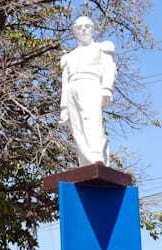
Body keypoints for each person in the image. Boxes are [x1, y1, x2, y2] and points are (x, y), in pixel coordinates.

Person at [60, 16, 116, 166]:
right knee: (77, 126)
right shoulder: (68, 56)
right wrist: (64, 107)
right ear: (74, 32)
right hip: (73, 88)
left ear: (92, 28)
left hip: (91, 84)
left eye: (87, 26)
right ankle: (85, 162)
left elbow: (109, 68)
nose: (83, 29)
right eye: (79, 27)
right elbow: (65, 82)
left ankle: (98, 156)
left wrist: (106, 89)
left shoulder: (101, 47)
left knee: (92, 120)